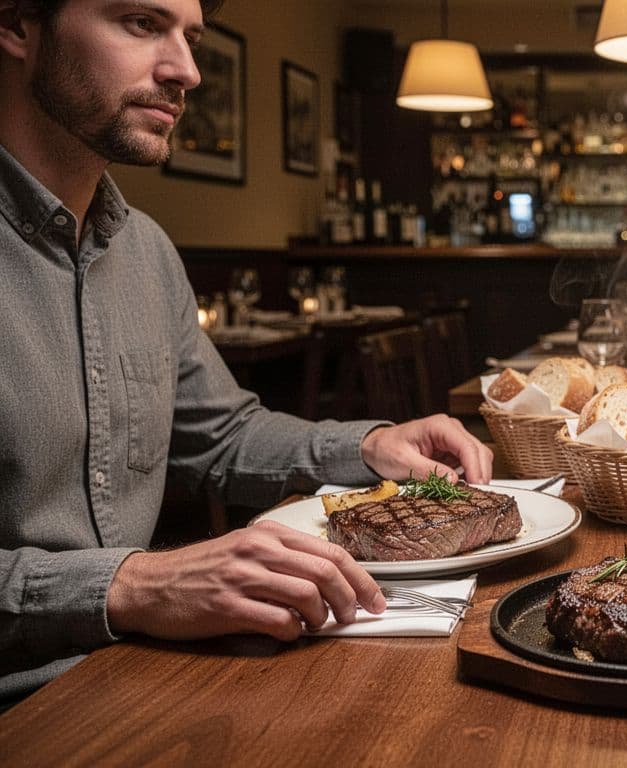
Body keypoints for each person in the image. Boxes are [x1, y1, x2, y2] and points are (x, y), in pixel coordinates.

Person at [0, 0, 494, 702]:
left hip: (144, 675)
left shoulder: (146, 250)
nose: (187, 71)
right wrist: (135, 582)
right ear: (19, 23)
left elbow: (223, 436)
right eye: (141, 23)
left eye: (190, 38)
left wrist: (373, 446)